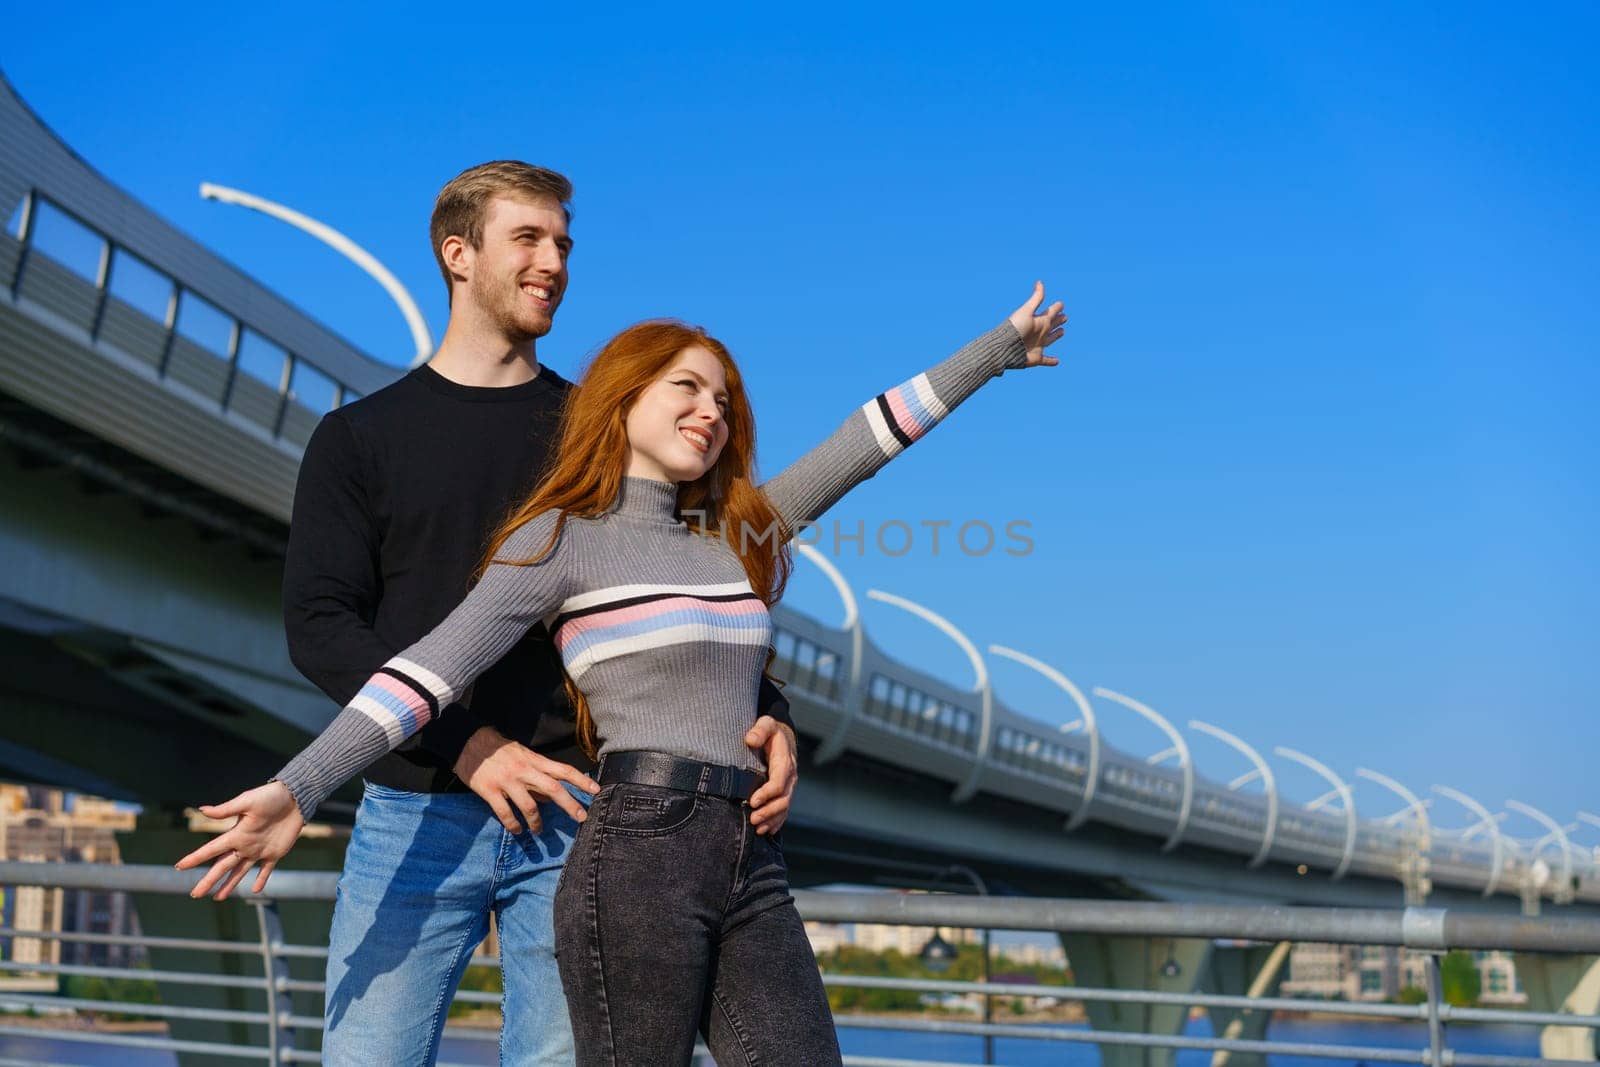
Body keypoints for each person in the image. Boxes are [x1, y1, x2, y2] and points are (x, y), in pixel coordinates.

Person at [180, 281, 1067, 1065]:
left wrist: (995, 352)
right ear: (624, 395)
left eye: (723, 398)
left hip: (750, 854)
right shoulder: (558, 541)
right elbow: (422, 677)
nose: (711, 410)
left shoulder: (741, 531)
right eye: (686, 386)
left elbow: (867, 438)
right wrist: (298, 789)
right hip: (636, 847)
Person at [176, 161, 800, 1066]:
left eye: (564, 244)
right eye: (530, 239)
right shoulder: (359, 439)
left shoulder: (601, 434)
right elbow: (322, 626)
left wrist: (771, 713)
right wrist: (467, 745)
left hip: (581, 815)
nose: (555, 262)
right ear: (457, 254)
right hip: (412, 809)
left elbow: (692, 591)